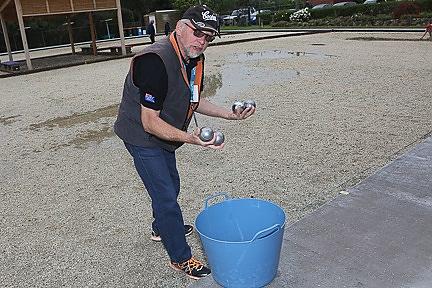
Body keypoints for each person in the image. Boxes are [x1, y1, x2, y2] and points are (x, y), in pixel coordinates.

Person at [114, 5, 255, 280]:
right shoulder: (153, 61)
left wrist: (230, 115)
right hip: (142, 135)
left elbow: (194, 99)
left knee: (171, 184)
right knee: (166, 197)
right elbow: (149, 122)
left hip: (165, 134)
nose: (202, 41)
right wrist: (192, 138)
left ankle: (161, 228)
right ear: (180, 27)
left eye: (209, 37)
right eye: (198, 32)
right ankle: (180, 257)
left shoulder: (194, 58)